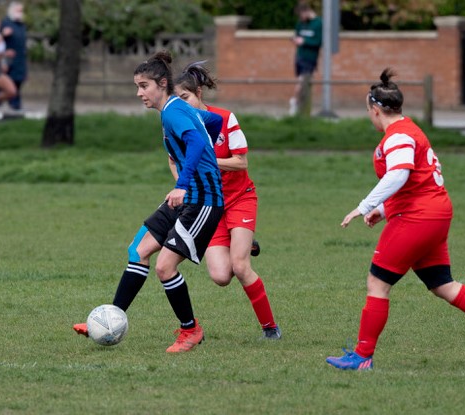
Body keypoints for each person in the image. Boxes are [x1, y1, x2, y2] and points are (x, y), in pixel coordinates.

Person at [326, 68, 465, 371]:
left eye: (369, 110)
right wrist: (385, 210)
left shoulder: (399, 136)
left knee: (377, 283)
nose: (369, 115)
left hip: (418, 218)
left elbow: (400, 174)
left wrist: (366, 205)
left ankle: (362, 356)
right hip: (432, 213)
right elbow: (416, 181)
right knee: (442, 284)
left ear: (375, 109)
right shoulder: (408, 129)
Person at [73, 50, 224, 353]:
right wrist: (194, 161)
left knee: (165, 268)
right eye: (137, 86)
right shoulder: (179, 108)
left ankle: (190, 331)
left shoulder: (172, 111)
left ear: (162, 83)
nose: (139, 93)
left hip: (202, 200)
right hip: (187, 197)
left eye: (144, 86)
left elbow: (196, 139)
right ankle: (109, 318)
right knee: (139, 250)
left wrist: (185, 181)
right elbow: (213, 121)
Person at [174, 62, 281, 339]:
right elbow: (174, 160)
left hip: (239, 199)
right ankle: (242, 243)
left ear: (198, 92)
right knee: (221, 276)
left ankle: (270, 328)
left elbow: (241, 162)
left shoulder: (225, 119)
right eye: (177, 101)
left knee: (241, 266)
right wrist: (182, 186)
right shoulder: (179, 125)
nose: (183, 105)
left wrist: (206, 161)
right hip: (210, 205)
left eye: (185, 98)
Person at [289, 2, 322, 116]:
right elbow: (297, 35)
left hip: (310, 57)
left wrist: (304, 41)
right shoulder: (300, 24)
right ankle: (301, 108)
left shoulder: (318, 23)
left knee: (303, 81)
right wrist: (295, 39)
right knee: (301, 81)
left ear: (306, 11)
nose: (300, 18)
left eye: (301, 15)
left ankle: (294, 102)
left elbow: (318, 41)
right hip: (300, 56)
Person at [0, 1, 27, 111]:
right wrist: (3, 34)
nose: (20, 13)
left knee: (18, 80)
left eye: (21, 11)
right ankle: (14, 103)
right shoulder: (6, 23)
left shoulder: (21, 25)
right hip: (9, 59)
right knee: (10, 80)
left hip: (20, 58)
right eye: (18, 10)